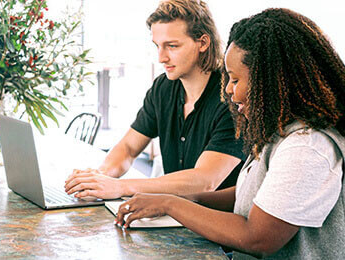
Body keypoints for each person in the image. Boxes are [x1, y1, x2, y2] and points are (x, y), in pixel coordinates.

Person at [115, 8, 345, 259]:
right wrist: (185, 198)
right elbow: (256, 194)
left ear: (269, 81)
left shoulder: (307, 147)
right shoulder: (282, 131)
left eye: (235, 80)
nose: (229, 91)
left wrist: (171, 203)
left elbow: (258, 237)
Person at [64, 0, 245, 199]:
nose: (161, 57)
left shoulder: (232, 97)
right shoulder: (163, 88)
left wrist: (120, 187)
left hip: (215, 221)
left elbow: (205, 180)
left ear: (202, 43)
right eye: (158, 46)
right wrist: (99, 177)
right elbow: (129, 148)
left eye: (172, 46)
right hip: (172, 215)